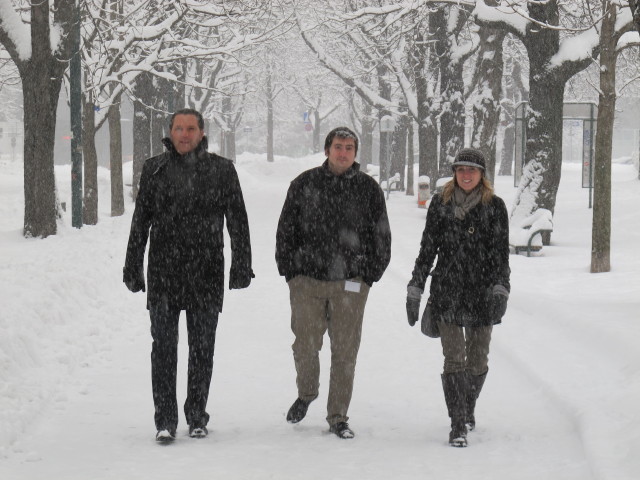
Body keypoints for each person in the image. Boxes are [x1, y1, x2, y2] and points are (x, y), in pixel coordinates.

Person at [123, 108, 254, 443]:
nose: (184, 134)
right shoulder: (154, 169)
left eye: (190, 128)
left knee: (202, 349)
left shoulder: (222, 170)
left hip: (206, 272)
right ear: (170, 131)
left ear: (201, 133)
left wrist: (241, 264)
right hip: (164, 272)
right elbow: (141, 221)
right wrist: (132, 265)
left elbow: (237, 220)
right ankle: (165, 420)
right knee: (163, 348)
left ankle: (197, 415)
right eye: (179, 128)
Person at [276, 126, 391, 439]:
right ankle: (307, 392)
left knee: (344, 353)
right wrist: (291, 273)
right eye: (338, 146)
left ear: (355, 153)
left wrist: (369, 275)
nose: (343, 152)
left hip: (351, 285)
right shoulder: (304, 184)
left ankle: (338, 415)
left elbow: (381, 234)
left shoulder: (368, 189)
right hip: (307, 281)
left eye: (349, 148)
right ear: (327, 150)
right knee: (305, 346)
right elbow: (286, 229)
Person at [406, 148, 510, 447]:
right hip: (447, 291)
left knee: (477, 360)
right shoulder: (440, 204)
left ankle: (467, 407)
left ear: (482, 175)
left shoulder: (495, 207)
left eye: (472, 170)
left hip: (482, 292)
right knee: (454, 360)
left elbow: (501, 254)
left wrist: (501, 287)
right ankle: (457, 423)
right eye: (461, 169)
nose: (466, 175)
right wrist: (416, 287)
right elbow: (427, 249)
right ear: (454, 172)